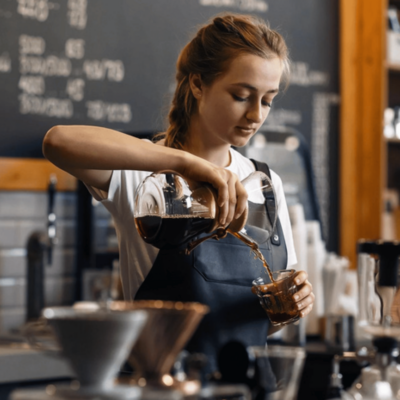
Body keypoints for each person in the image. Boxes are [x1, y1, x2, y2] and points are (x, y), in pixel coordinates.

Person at [43, 13, 314, 375]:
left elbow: (264, 317)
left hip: (246, 386)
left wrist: (291, 305)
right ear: (198, 85)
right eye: (241, 96)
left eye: (267, 100)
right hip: (164, 385)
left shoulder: (265, 182)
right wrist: (185, 164)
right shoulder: (146, 176)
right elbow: (58, 142)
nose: (255, 114)